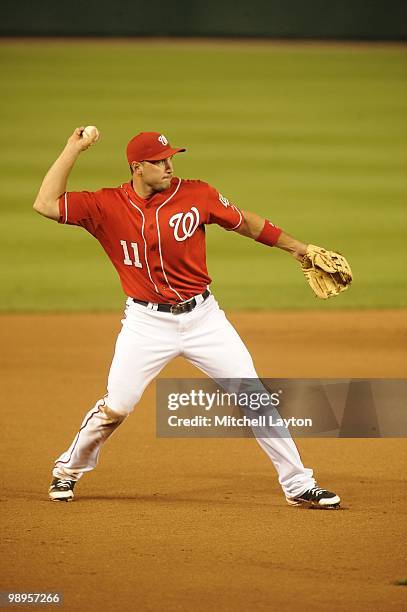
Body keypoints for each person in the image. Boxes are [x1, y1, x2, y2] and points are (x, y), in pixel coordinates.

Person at [33, 127, 340, 509]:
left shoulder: (197, 194)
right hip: (146, 325)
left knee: (255, 396)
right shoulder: (104, 205)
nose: (169, 166)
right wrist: (72, 148)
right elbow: (46, 203)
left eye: (171, 158)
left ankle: (299, 485)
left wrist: (297, 248)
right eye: (159, 161)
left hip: (204, 320)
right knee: (118, 406)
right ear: (137, 167)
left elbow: (244, 222)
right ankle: (67, 471)